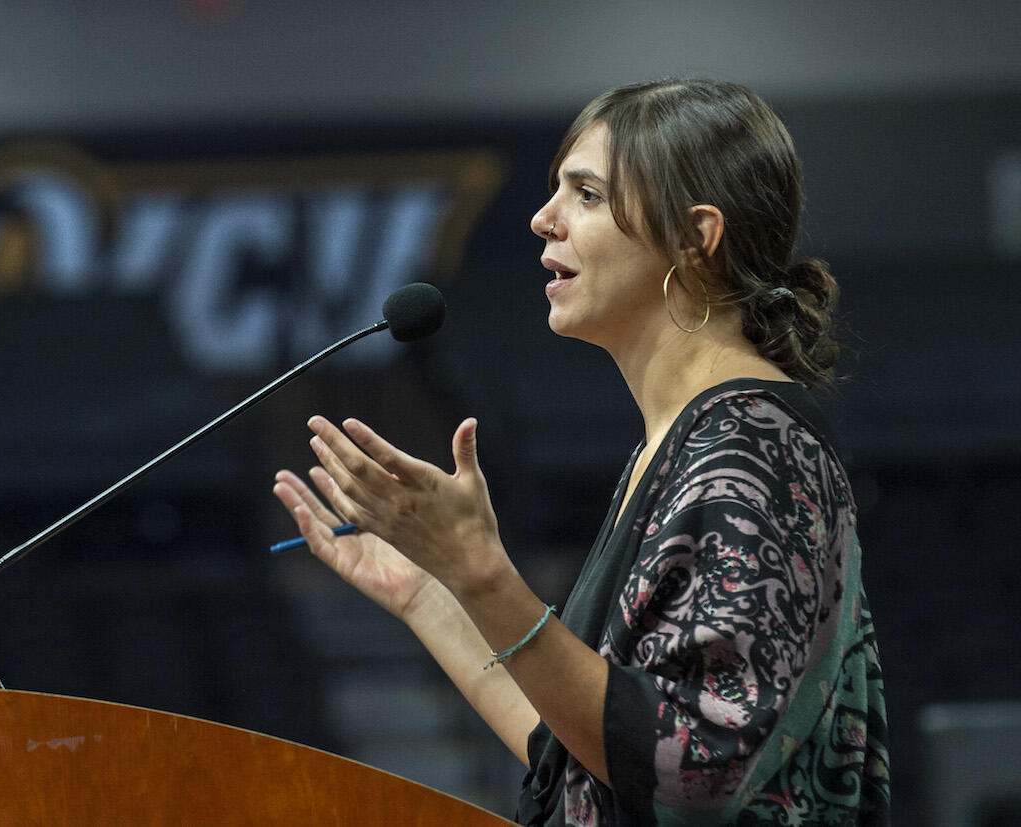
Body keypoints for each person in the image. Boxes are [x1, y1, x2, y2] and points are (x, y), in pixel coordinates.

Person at [272, 78, 890, 825]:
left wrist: (485, 571)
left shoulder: (750, 453)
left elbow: (689, 770)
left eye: (587, 194)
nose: (542, 220)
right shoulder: (682, 442)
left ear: (696, 237)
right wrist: (431, 591)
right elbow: (579, 752)